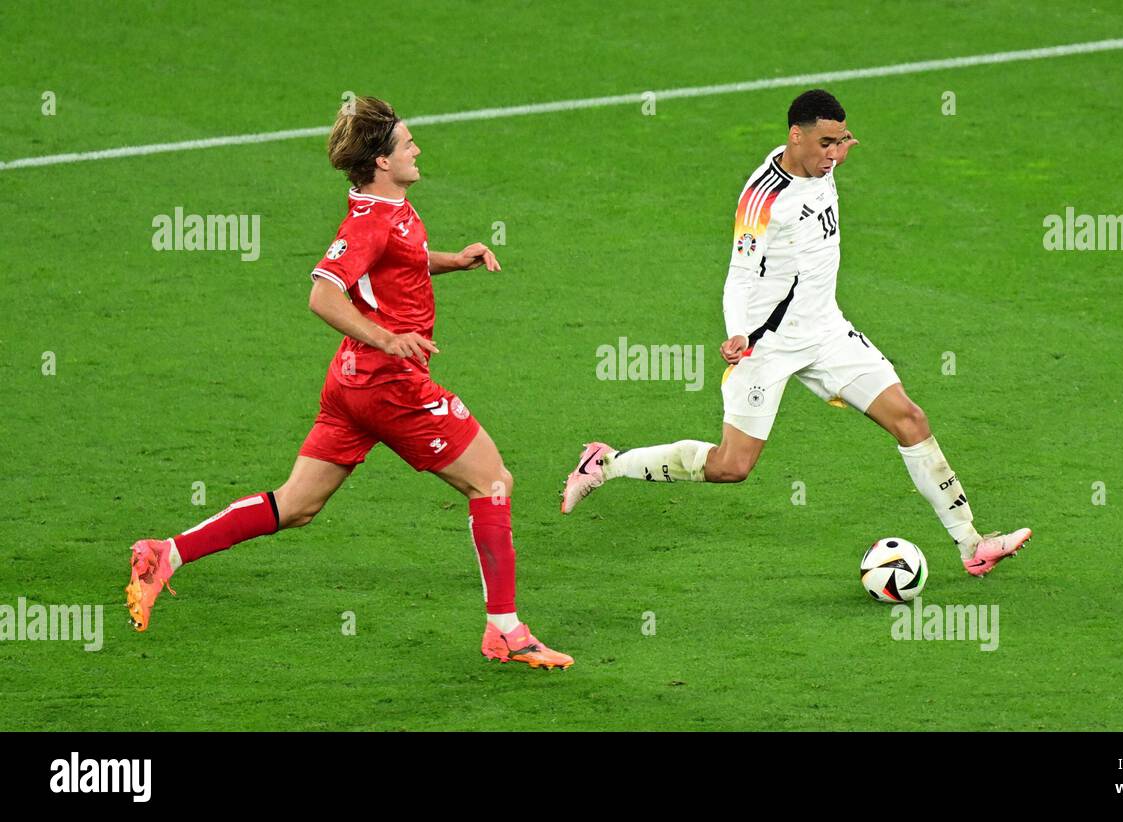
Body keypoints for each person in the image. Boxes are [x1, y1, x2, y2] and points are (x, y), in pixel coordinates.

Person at [126, 96, 572, 669]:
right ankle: (505, 632)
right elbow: (322, 295)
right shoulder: (368, 222)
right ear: (383, 161)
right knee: (492, 482)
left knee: (296, 505)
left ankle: (166, 554)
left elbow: (400, 257)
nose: (417, 149)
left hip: (351, 384)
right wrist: (387, 338)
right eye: (408, 143)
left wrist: (451, 260)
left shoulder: (386, 210)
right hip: (391, 385)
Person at [562, 89, 1029, 577]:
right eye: (825, 142)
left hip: (828, 332)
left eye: (841, 142)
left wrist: (842, 145)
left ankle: (972, 545)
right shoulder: (764, 199)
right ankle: (606, 463)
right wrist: (737, 332)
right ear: (795, 136)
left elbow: (833, 156)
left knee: (910, 420)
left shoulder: (824, 164)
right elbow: (739, 274)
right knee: (732, 466)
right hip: (768, 345)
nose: (834, 155)